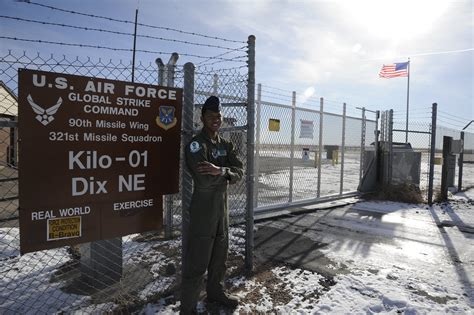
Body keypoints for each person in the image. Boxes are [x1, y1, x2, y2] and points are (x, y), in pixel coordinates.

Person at [181, 95, 244, 314]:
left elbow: (240, 172)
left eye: (218, 116)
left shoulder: (225, 144)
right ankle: (188, 308)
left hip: (221, 209)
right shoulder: (196, 145)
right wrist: (226, 174)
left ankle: (215, 293)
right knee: (198, 260)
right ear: (202, 118)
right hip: (203, 209)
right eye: (210, 116)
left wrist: (222, 171)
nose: (215, 120)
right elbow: (204, 179)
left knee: (220, 255)